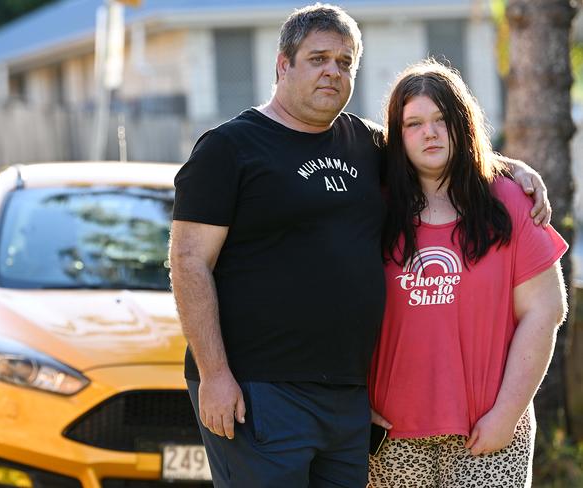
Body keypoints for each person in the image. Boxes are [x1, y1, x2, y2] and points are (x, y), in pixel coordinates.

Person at [169, 4, 549, 487]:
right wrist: (215, 374)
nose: (333, 71)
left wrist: (507, 167)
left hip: (348, 401)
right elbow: (187, 262)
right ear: (282, 64)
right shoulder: (229, 149)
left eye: (345, 62)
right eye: (318, 58)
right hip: (258, 390)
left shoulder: (366, 145)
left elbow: (434, 146)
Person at [368, 59, 567, 488]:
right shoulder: (372, 208)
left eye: (441, 119)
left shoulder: (511, 201)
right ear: (396, 137)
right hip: (390, 436)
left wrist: (506, 415)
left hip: (490, 431)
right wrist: (353, 399)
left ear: (463, 124)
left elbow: (546, 310)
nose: (430, 133)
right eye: (414, 123)